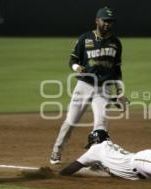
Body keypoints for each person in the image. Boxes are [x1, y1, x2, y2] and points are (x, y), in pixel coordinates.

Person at [50, 7, 129, 164]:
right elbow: (72, 60)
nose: (107, 24)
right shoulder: (85, 39)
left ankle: (98, 160)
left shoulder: (116, 43)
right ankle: (56, 151)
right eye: (105, 20)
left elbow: (117, 69)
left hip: (104, 89)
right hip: (84, 85)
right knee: (70, 122)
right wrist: (76, 68)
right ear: (97, 21)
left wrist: (120, 91)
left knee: (101, 127)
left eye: (110, 21)